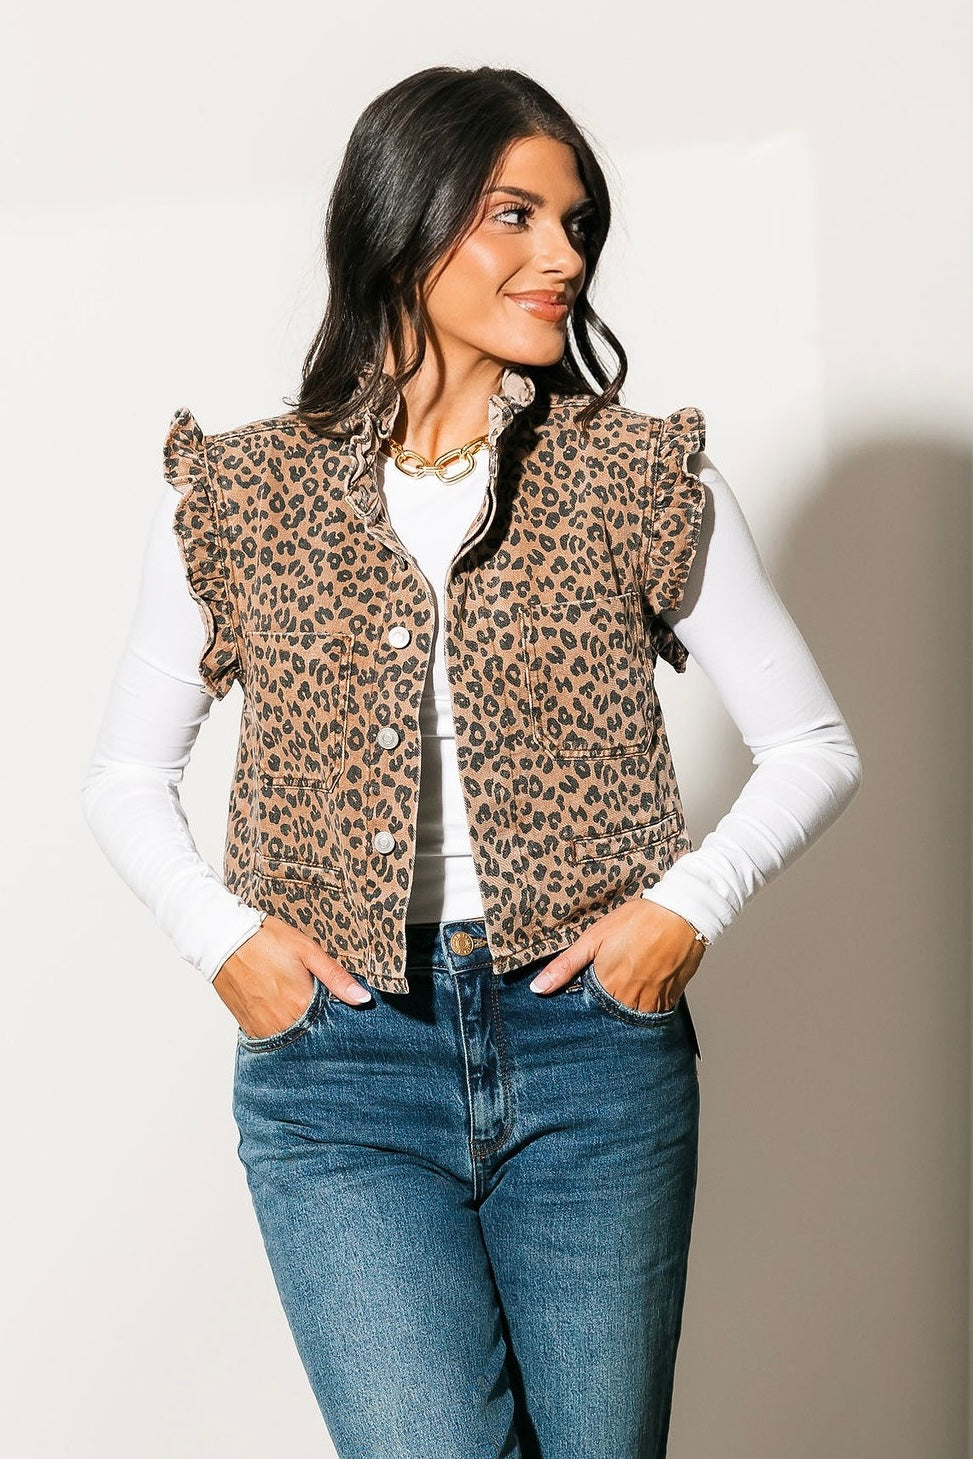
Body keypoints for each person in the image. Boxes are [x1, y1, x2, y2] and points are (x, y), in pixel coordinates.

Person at [82, 64, 862, 1459]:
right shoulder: (240, 492)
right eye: (517, 214)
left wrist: (683, 912)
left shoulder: (636, 476)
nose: (563, 256)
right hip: (339, 1070)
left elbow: (810, 744)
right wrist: (225, 942)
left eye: (577, 223)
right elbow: (125, 778)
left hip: (590, 1060)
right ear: (404, 217)